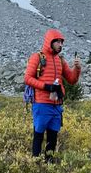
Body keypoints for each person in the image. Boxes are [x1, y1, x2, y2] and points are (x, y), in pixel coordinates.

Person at [24, 28, 81, 160]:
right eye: (58, 42)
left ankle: (49, 164)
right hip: (42, 104)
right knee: (38, 134)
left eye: (62, 43)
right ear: (50, 42)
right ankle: (35, 163)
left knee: (53, 136)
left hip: (57, 105)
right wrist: (46, 86)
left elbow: (72, 80)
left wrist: (77, 68)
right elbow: (27, 78)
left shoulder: (60, 60)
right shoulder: (37, 57)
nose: (60, 45)